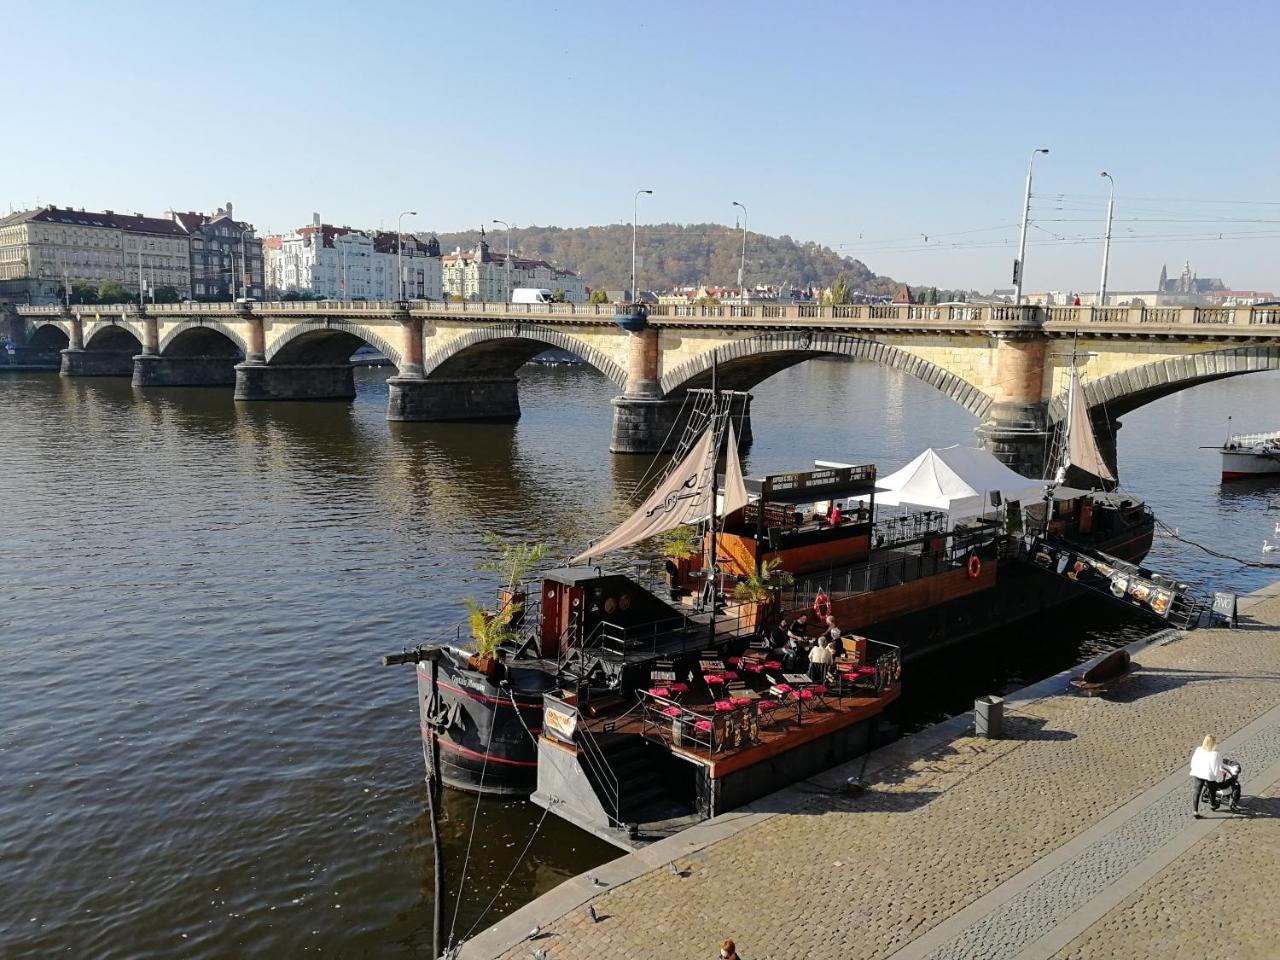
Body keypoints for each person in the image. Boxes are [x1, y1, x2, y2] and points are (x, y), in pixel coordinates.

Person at [1189, 734, 1237, 816]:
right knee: (1212, 791)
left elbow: (1193, 761)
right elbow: (1217, 768)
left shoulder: (1198, 749)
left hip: (1197, 773)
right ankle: (1213, 805)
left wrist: (1194, 769)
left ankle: (1195, 811)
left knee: (1197, 791)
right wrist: (1219, 779)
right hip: (1209, 775)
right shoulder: (1215, 754)